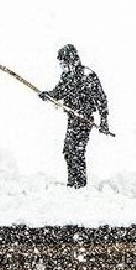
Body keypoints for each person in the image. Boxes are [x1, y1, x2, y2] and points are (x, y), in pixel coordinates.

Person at [38, 44, 110, 188]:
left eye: (65, 64)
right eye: (61, 65)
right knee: (68, 150)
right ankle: (73, 183)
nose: (63, 67)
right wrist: (48, 95)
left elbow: (101, 99)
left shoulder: (88, 75)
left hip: (85, 119)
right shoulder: (66, 76)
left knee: (77, 151)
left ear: (73, 61)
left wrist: (104, 121)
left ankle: (80, 184)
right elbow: (59, 92)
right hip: (73, 119)